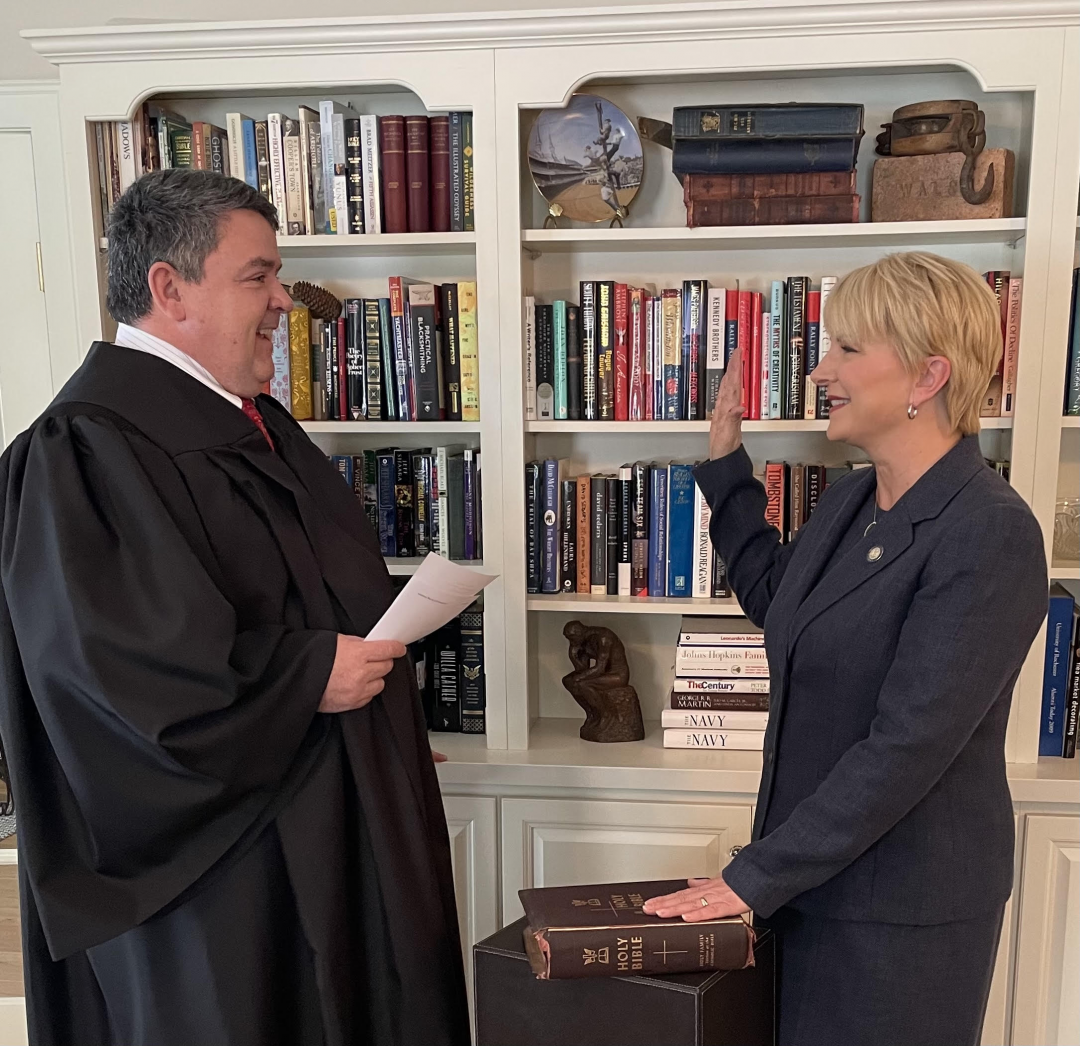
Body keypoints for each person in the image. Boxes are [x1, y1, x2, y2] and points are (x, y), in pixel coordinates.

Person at [0, 168, 470, 1046]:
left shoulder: (249, 421)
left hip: (318, 823)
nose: (284, 302)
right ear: (168, 289)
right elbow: (118, 686)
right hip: (216, 884)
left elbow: (307, 609)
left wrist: (372, 732)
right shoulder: (86, 451)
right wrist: (304, 680)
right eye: (258, 277)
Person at [644, 252, 1048, 1046]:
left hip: (901, 917)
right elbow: (775, 599)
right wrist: (726, 464)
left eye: (849, 350)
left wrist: (751, 879)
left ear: (928, 376)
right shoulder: (855, 499)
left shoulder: (989, 531)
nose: (822, 369)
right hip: (806, 887)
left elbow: (905, 748)